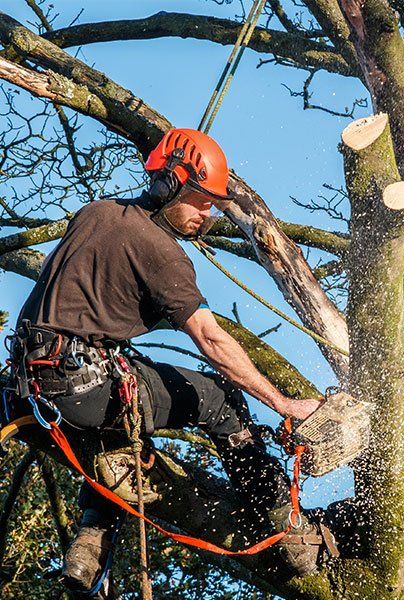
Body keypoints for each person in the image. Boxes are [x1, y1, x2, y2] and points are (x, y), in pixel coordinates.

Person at [8, 129, 335, 595]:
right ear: (170, 185)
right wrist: (283, 403)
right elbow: (210, 338)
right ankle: (286, 528)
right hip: (81, 387)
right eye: (201, 201)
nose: (207, 214)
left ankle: (88, 548)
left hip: (29, 390)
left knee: (117, 438)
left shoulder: (94, 214)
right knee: (220, 398)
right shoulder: (162, 253)